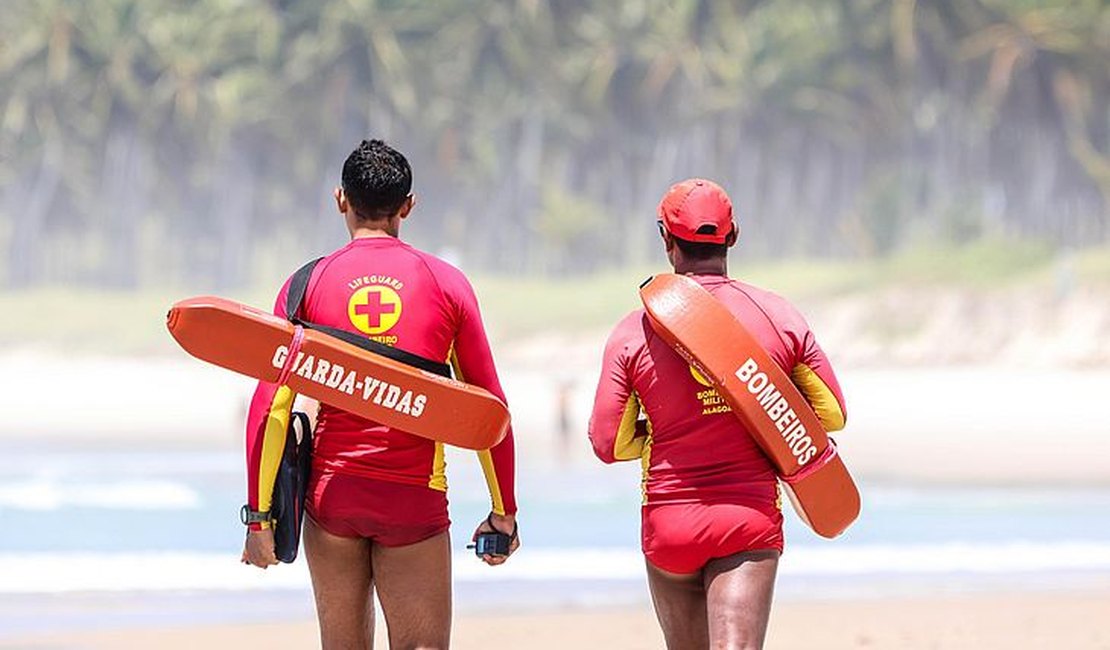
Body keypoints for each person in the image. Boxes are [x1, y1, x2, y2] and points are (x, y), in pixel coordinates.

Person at [240, 139, 520, 649]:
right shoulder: (446, 284)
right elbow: (488, 409)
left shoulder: (307, 283)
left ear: (340, 199)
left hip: (333, 499)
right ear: (408, 206)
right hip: (412, 496)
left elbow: (271, 406)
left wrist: (259, 516)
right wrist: (505, 512)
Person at [588, 178, 846, 649]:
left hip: (670, 522)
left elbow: (608, 444)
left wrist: (659, 432)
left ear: (666, 239)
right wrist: (752, 408)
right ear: (734, 236)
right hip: (746, 518)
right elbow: (831, 413)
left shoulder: (634, 330)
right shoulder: (777, 315)